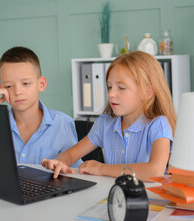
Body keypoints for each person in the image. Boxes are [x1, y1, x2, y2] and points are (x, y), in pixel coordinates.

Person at [42, 51, 176, 181]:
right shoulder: (105, 123)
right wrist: (60, 161)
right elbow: (70, 154)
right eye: (109, 87)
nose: (111, 94)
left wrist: (102, 169)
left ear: (147, 93)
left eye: (121, 88)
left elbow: (154, 171)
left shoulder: (158, 124)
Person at [0, 46, 82, 167]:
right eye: (9, 86)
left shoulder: (62, 124)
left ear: (41, 84)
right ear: (1, 89)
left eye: (25, 83)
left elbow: (74, 172)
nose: (17, 92)